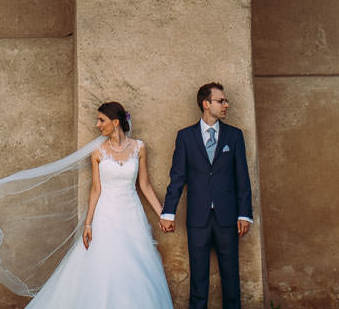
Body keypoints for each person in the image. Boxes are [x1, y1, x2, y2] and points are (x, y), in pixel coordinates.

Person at [22, 101, 174, 308]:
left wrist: (162, 214)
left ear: (116, 121)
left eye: (101, 120)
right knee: (106, 264)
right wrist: (88, 223)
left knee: (134, 266)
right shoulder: (98, 152)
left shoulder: (139, 147)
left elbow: (144, 185)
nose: (97, 125)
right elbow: (96, 189)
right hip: (106, 215)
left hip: (132, 216)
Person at [159, 82, 253, 309]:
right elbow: (178, 177)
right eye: (221, 101)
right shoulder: (185, 137)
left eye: (225, 100)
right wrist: (168, 212)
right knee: (198, 277)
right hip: (198, 217)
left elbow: (243, 177)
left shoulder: (234, 136)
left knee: (230, 275)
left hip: (228, 217)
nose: (226, 104)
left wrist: (245, 214)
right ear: (206, 103)